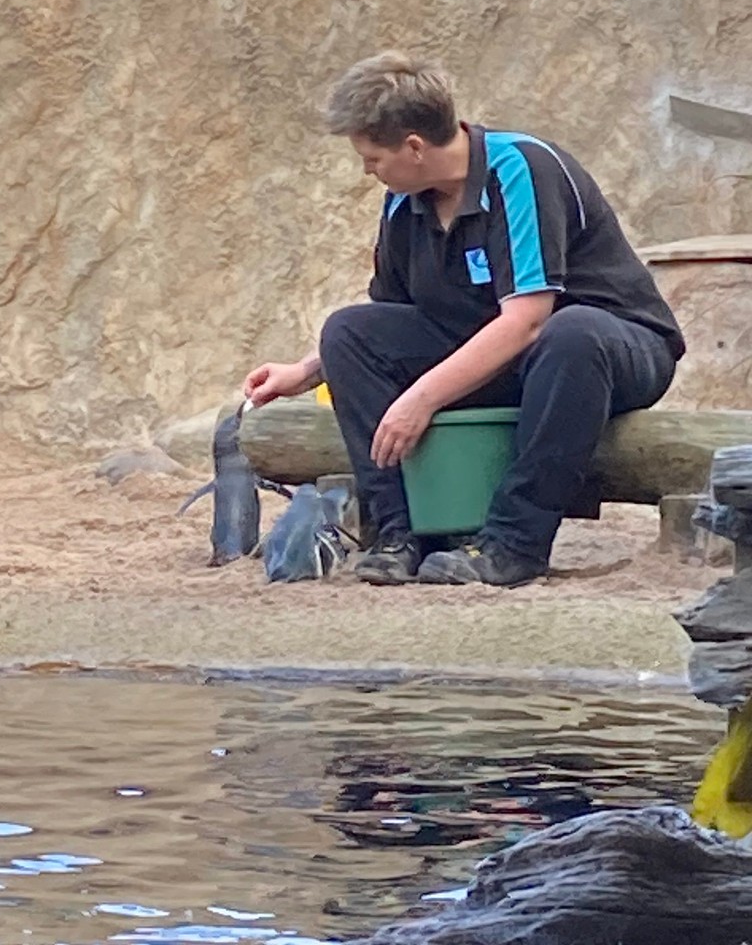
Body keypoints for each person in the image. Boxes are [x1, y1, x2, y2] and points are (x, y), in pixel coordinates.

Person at [242, 51, 685, 589]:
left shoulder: (521, 169)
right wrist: (307, 371)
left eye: (373, 157)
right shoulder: (404, 201)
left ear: (414, 146)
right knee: (349, 331)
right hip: (508, 358)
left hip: (607, 351)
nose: (367, 170)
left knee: (572, 332)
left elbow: (526, 321)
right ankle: (401, 534)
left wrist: (421, 398)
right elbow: (392, 317)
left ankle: (513, 545)